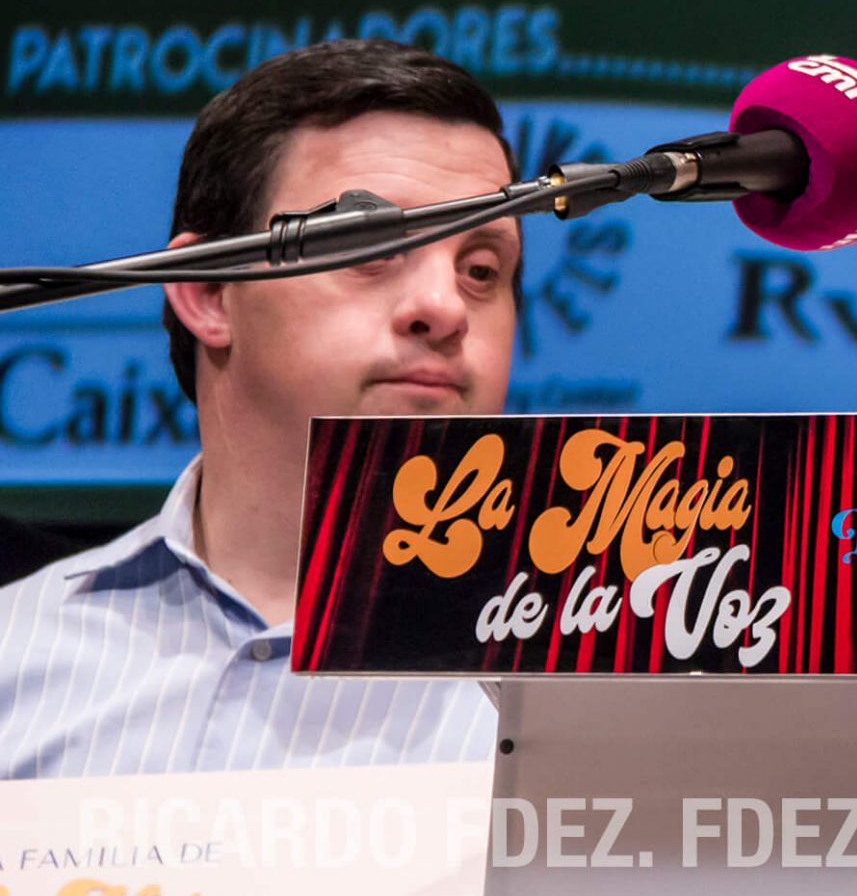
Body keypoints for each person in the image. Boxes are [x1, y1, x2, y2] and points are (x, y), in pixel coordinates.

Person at [0, 39, 516, 778]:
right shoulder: (14, 654)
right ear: (211, 292)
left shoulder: (595, 683)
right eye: (370, 242)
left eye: (482, 270)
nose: (445, 306)